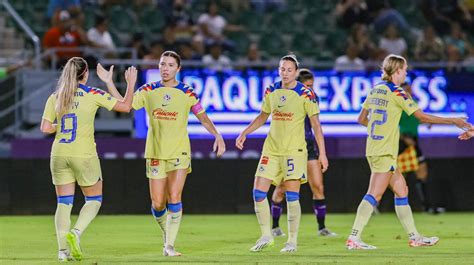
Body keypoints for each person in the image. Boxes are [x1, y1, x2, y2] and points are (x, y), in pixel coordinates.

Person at [346, 54, 471, 250]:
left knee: (401, 189)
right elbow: (421, 117)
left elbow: (361, 119)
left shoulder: (375, 90)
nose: (406, 72)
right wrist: (453, 121)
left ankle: (415, 237)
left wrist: (380, 130)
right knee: (374, 194)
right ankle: (354, 238)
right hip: (384, 151)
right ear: (397, 71)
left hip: (374, 148)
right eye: (404, 69)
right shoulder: (398, 93)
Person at [40, 57, 137, 261]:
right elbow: (126, 106)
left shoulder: (56, 96)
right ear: (86, 74)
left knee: (63, 203)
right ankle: (75, 233)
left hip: (58, 153)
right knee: (94, 199)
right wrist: (128, 83)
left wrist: (64, 127)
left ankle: (62, 252)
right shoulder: (93, 93)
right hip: (83, 154)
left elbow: (46, 128)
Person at [130, 51, 225, 256]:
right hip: (155, 152)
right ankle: (167, 233)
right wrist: (123, 84)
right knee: (157, 203)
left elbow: (203, 117)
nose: (165, 68)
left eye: (170, 65)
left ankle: (169, 245)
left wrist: (217, 135)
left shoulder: (187, 92)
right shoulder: (148, 90)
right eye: (163, 64)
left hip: (179, 151)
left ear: (178, 69)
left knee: (174, 196)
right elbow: (126, 105)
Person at [236, 55, 325, 253]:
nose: (284, 73)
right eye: (282, 69)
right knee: (258, 192)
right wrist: (245, 132)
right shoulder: (272, 90)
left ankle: (292, 241)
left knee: (292, 196)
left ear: (295, 72)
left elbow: (316, 126)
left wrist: (322, 154)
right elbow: (263, 116)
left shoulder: (306, 94)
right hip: (272, 150)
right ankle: (266, 235)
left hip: (294, 151)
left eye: (288, 69)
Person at [270, 69, 335, 238]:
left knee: (318, 187)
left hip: (308, 145)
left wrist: (322, 152)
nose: (311, 89)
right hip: (290, 146)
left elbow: (316, 126)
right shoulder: (289, 98)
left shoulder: (313, 98)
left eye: (312, 86)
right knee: (282, 188)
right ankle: (275, 226)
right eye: (308, 85)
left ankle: (322, 227)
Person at [398, 82, 443, 214]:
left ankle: (426, 206)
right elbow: (392, 124)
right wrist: (403, 138)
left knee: (422, 173)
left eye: (410, 90)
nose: (409, 92)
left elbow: (419, 117)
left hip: (414, 141)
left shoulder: (413, 103)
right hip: (403, 141)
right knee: (397, 175)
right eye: (406, 90)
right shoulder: (397, 105)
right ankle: (375, 202)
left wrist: (428, 121)